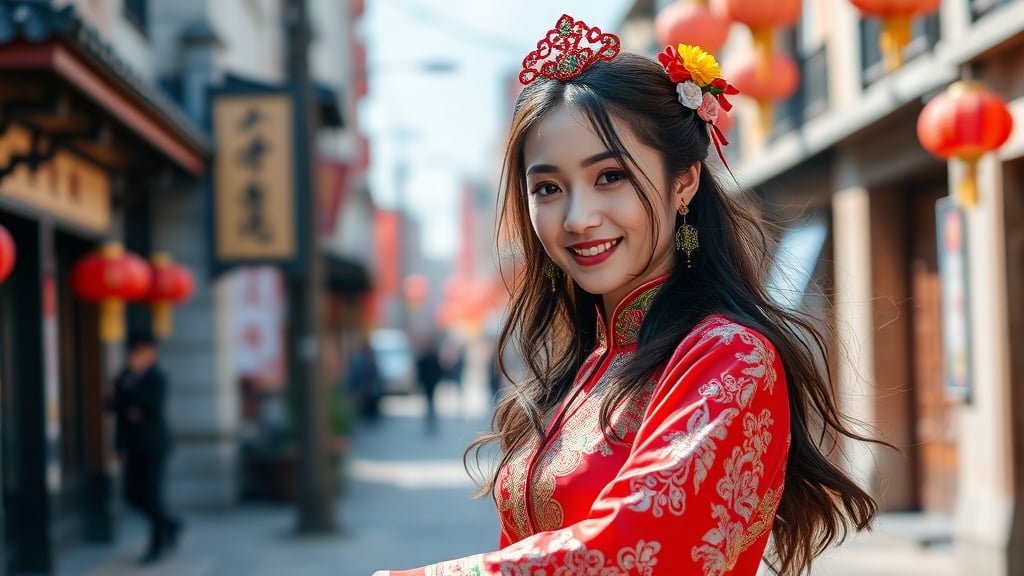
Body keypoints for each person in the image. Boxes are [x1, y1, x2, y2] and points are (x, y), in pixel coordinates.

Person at [373, 14, 881, 576]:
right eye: (548, 188)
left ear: (683, 181)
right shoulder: (589, 364)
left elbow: (631, 551)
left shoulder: (730, 357)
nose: (578, 217)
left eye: (609, 176)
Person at [107, 330, 183, 564]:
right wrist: (118, 445)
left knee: (152, 495)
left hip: (154, 446)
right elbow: (113, 406)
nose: (135, 356)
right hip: (132, 446)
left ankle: (156, 545)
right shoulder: (125, 377)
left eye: (140, 352)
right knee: (131, 494)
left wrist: (128, 400)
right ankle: (170, 524)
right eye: (132, 352)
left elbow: (151, 408)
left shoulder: (156, 378)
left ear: (151, 353)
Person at [416, 335, 444, 433]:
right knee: (430, 401)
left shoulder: (425, 358)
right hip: (431, 382)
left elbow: (420, 370)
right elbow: (439, 370)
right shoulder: (432, 357)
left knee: (429, 401)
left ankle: (430, 419)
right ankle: (431, 419)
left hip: (428, 382)